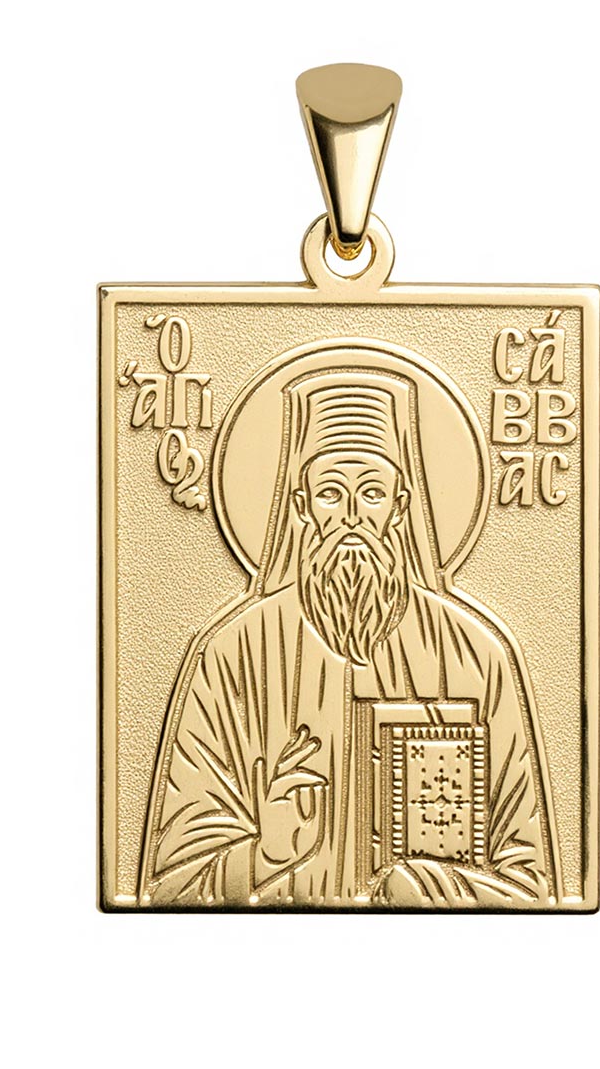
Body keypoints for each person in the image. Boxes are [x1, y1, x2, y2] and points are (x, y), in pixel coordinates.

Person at [139, 368, 560, 906]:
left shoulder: (475, 655)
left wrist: (427, 888)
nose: (353, 518)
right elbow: (169, 887)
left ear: (400, 508)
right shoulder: (232, 653)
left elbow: (530, 886)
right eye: (331, 494)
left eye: (373, 494)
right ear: (301, 507)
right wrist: (265, 853)